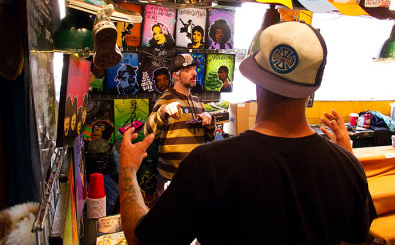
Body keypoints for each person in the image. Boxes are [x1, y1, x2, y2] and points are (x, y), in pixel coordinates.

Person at [119, 22, 376, 245]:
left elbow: (142, 240)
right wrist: (346, 160)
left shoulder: (207, 165)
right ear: (313, 88)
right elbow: (358, 237)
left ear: (256, 79)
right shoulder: (347, 166)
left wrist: (128, 170)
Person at [143, 53, 216, 197]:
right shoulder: (165, 99)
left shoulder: (198, 102)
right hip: (171, 180)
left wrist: (210, 119)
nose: (194, 73)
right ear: (176, 75)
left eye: (194, 69)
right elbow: (148, 132)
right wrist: (163, 111)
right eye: (188, 70)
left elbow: (210, 138)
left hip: (196, 178)